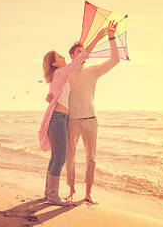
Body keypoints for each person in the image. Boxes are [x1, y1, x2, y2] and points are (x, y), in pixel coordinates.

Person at [46, 20, 120, 205]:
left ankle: (88, 193)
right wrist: (49, 96)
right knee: (68, 157)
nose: (84, 53)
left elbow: (115, 60)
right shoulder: (66, 72)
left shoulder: (93, 71)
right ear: (72, 56)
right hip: (71, 120)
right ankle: (71, 189)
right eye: (80, 51)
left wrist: (111, 37)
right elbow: (55, 88)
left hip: (91, 119)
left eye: (84, 51)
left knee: (91, 158)